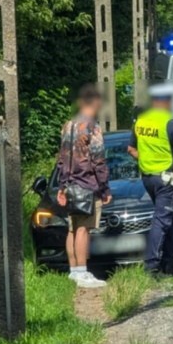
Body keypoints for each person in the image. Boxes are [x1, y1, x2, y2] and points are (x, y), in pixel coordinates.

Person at [128, 83, 173, 276]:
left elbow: (131, 149)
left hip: (148, 178)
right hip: (166, 178)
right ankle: (151, 265)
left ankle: (169, 263)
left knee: (169, 216)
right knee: (162, 219)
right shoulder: (171, 121)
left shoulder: (140, 121)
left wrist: (146, 160)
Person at [54, 84, 111, 288]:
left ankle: (72, 270)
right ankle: (82, 272)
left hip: (69, 184)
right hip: (87, 183)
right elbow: (98, 160)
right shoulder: (92, 128)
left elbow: (61, 158)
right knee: (84, 229)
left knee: (72, 227)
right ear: (95, 102)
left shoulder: (67, 126)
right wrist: (104, 188)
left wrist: (61, 186)